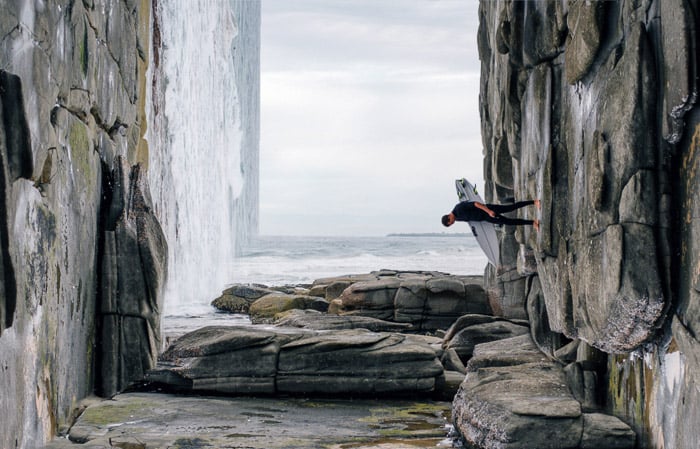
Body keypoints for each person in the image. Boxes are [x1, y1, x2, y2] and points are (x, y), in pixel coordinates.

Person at [442, 199, 540, 230]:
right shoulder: (457, 218)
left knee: (511, 208)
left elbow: (476, 204)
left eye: (451, 222)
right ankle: (533, 222)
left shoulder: (458, 208)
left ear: (449, 217)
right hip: (486, 218)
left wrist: (488, 211)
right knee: (509, 222)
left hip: (489, 210)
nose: (453, 223)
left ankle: (534, 202)